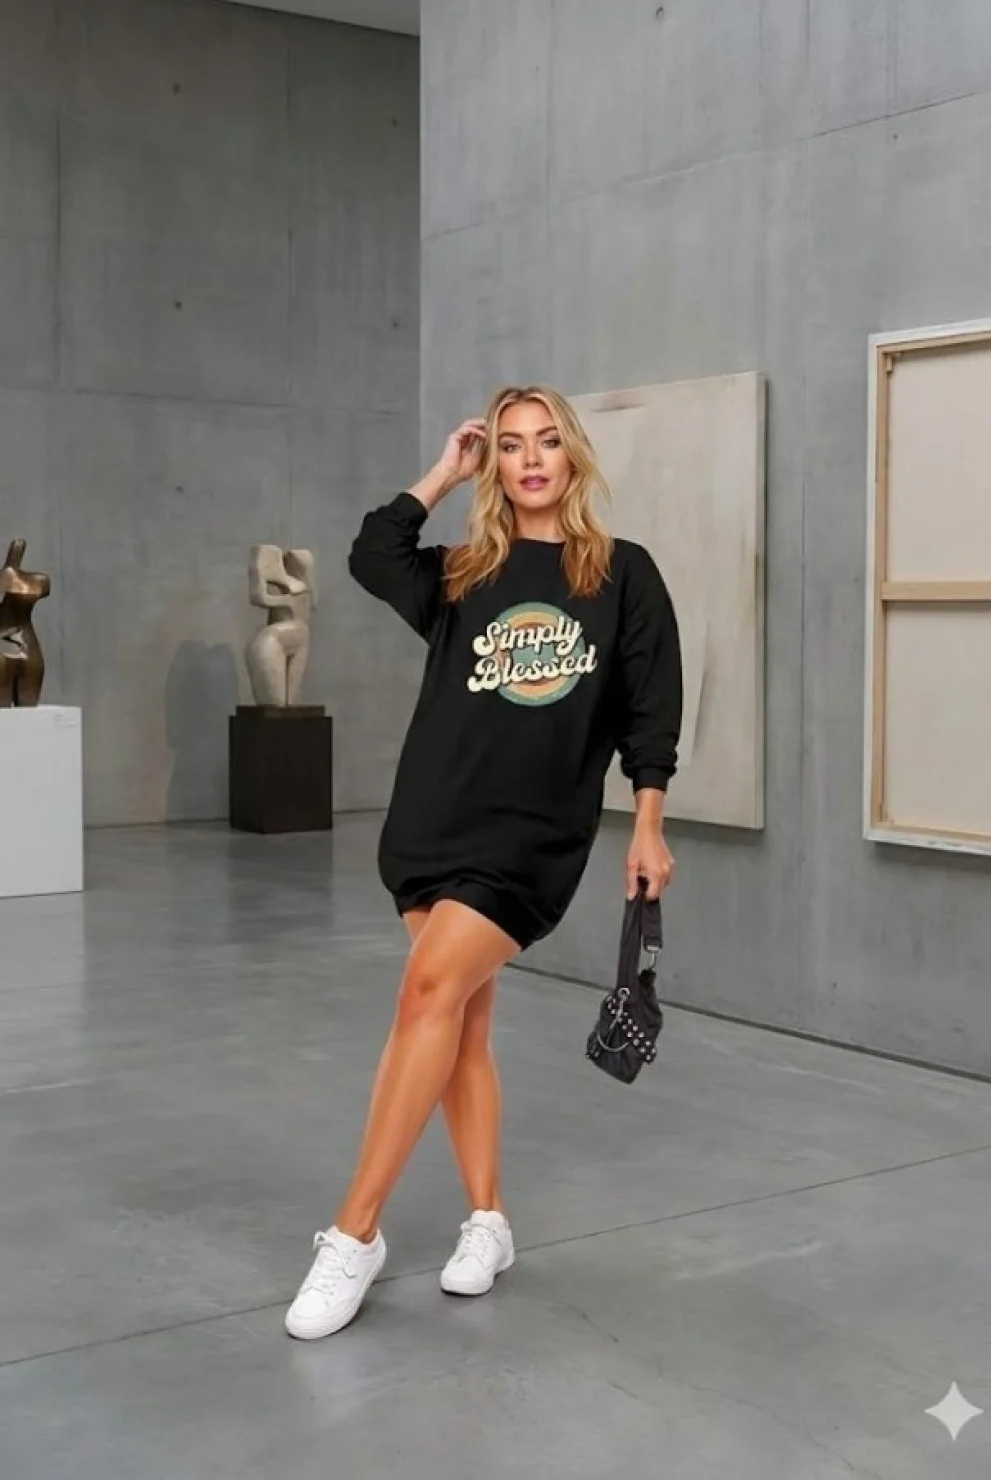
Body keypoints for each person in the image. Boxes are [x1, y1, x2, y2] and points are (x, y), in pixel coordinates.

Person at [285, 385, 683, 1341]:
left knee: (425, 994)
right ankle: (489, 1221)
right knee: (459, 1028)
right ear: (493, 463)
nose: (530, 459)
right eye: (509, 445)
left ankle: (356, 1232)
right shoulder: (465, 572)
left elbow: (651, 709)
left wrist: (649, 821)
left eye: (547, 441)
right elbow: (372, 554)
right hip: (434, 818)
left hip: (531, 834)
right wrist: (441, 472)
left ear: (573, 455)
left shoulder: (622, 573)